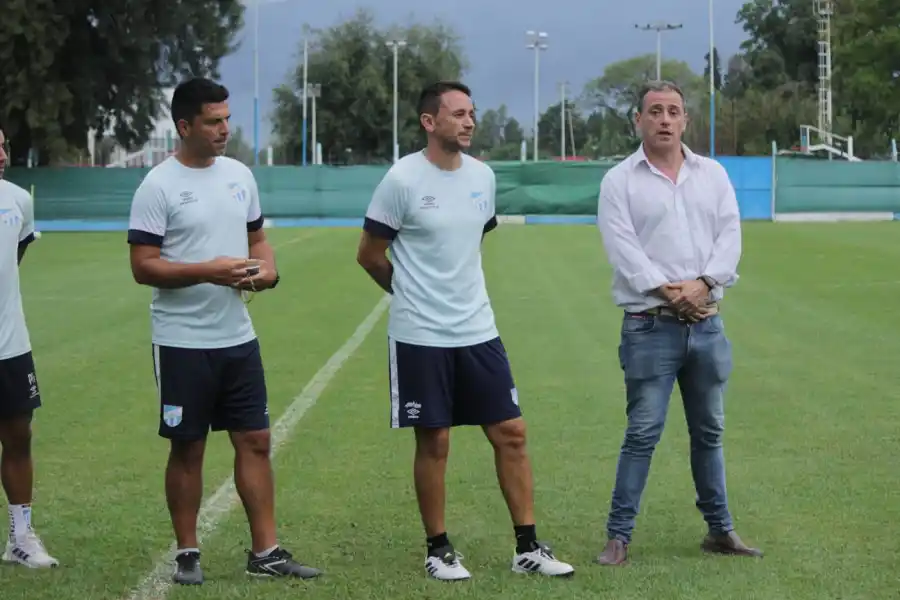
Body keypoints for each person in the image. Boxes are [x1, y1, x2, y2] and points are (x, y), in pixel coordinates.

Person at [356, 81, 575, 581]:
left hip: (479, 328)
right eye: (458, 114)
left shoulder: (483, 177)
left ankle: (527, 547)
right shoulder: (402, 180)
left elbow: (472, 240)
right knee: (434, 441)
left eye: (471, 113)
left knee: (511, 433)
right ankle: (438, 548)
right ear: (429, 122)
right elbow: (369, 255)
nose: (469, 121)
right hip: (420, 335)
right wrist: (410, 292)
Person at [127, 77, 321, 585]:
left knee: (255, 439)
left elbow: (259, 240)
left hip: (238, 337)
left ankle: (266, 552)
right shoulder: (158, 185)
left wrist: (268, 270)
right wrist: (206, 270)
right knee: (188, 446)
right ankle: (187, 552)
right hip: (182, 341)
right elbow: (143, 265)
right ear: (185, 126)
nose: (224, 129)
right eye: (213, 121)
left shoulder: (239, 175)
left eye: (227, 119)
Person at [594, 80, 763, 566]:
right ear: (638, 120)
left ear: (686, 120)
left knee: (709, 431)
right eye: (654, 111)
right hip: (649, 326)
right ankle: (618, 538)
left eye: (673, 111)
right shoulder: (619, 181)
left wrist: (704, 283)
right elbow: (623, 250)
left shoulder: (712, 175)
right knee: (642, 433)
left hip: (707, 327)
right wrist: (671, 291)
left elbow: (730, 234)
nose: (664, 119)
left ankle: (720, 531)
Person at [0, 127, 58, 569]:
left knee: (19, 436)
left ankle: (20, 538)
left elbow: (13, 260)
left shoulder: (19, 200)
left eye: (3, 145)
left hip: (10, 344)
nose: (3, 154)